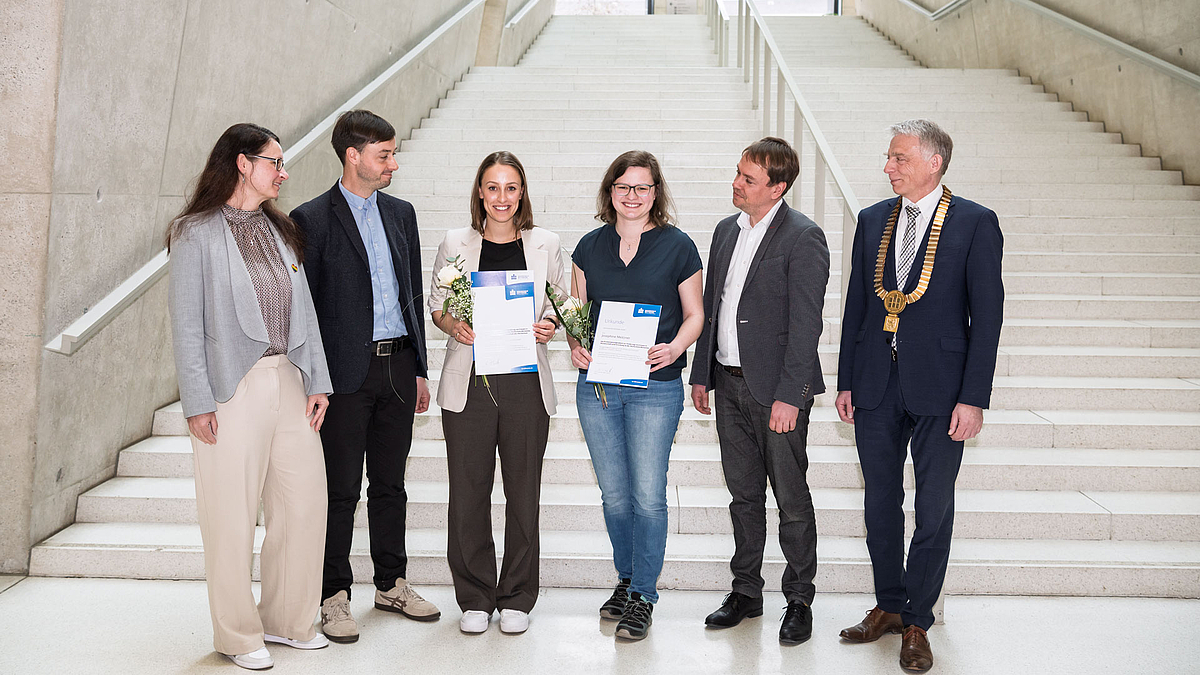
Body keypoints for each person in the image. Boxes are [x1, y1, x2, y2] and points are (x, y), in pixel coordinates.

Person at [834, 119, 1003, 672]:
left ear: (934, 161)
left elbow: (988, 317)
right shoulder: (872, 220)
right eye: (888, 157)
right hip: (877, 384)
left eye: (899, 158)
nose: (888, 167)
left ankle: (918, 620)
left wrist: (973, 397)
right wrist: (847, 380)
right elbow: (857, 306)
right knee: (879, 502)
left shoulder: (976, 223)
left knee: (932, 509)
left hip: (943, 387)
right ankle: (887, 603)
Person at [167, 122, 333, 670]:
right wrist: (197, 400)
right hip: (229, 386)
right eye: (274, 162)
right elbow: (187, 323)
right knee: (231, 516)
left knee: (305, 503)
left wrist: (319, 379)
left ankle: (288, 621)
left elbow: (303, 310)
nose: (282, 173)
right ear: (243, 163)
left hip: (289, 376)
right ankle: (238, 635)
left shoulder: (280, 229)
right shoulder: (195, 232)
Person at [289, 109, 438, 644]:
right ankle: (332, 595)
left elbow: (412, 296)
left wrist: (420, 367)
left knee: (391, 484)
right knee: (340, 490)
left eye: (393, 154)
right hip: (344, 374)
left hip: (398, 365)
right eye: (384, 155)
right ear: (353, 156)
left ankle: (392, 583)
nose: (393, 163)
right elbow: (305, 310)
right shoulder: (311, 218)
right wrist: (316, 380)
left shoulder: (402, 214)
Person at [689, 137, 829, 644]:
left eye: (748, 179)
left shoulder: (803, 237)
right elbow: (712, 304)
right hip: (727, 385)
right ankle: (746, 590)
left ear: (778, 187)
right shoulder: (726, 230)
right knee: (743, 496)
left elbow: (806, 323)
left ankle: (799, 598)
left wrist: (791, 396)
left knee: (791, 498)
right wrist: (701, 374)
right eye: (738, 173)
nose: (737, 183)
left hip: (777, 393)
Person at [427, 151, 566, 635]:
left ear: (522, 192)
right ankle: (474, 596)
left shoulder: (546, 244)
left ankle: (517, 597)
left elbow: (563, 303)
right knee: (468, 491)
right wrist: (454, 324)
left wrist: (549, 324)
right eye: (492, 187)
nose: (502, 197)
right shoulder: (455, 242)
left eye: (511, 188)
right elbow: (437, 306)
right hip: (470, 381)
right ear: (479, 192)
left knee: (523, 490)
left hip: (525, 380)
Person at [568, 150, 704, 641]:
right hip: (599, 387)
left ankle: (644, 594)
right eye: (623, 186)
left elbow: (695, 315)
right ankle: (625, 580)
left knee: (648, 496)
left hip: (655, 388)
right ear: (610, 191)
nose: (632, 195)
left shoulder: (678, 246)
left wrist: (674, 348)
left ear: (655, 193)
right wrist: (577, 346)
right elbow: (577, 315)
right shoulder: (588, 247)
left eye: (642, 187)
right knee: (615, 495)